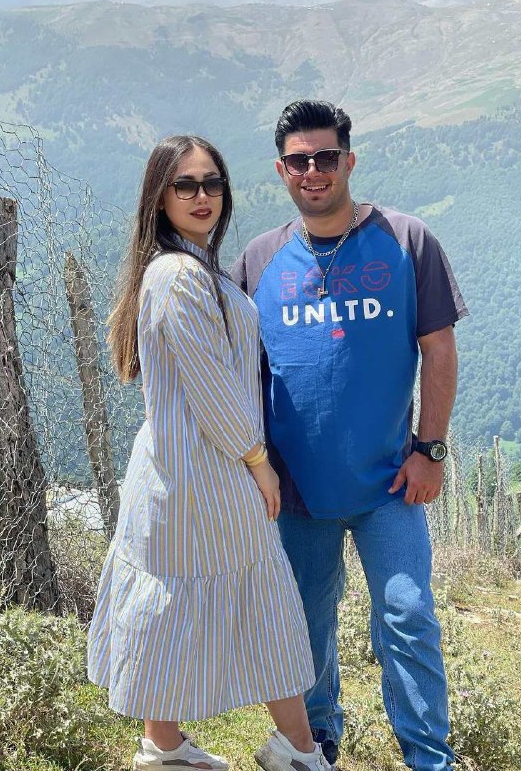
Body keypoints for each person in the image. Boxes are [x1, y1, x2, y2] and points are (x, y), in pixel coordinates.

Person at [231, 100, 469, 771]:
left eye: (326, 157)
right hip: (294, 489)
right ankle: (317, 747)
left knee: (408, 615)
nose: (313, 171)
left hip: (391, 480)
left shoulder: (407, 240)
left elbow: (440, 349)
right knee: (306, 627)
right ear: (281, 170)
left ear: (349, 161)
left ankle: (429, 758)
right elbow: (236, 370)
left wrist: (430, 450)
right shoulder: (259, 259)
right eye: (299, 161)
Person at [87, 134, 332, 771]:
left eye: (212, 183)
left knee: (179, 601)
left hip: (182, 473)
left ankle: (166, 746)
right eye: (186, 185)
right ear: (159, 197)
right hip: (207, 472)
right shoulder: (177, 276)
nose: (203, 196)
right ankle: (297, 751)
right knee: (260, 602)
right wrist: (259, 462)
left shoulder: (190, 269)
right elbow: (213, 387)